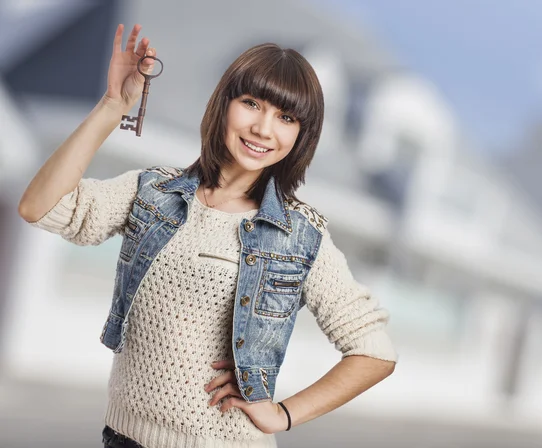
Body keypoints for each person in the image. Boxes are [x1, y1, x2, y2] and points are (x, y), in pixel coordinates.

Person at [18, 23, 397, 448]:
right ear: (224, 104)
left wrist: (282, 415)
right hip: (123, 437)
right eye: (252, 103)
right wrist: (111, 106)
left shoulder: (296, 236)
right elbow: (40, 207)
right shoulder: (152, 194)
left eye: (286, 117)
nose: (263, 129)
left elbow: (373, 351)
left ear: (300, 135)